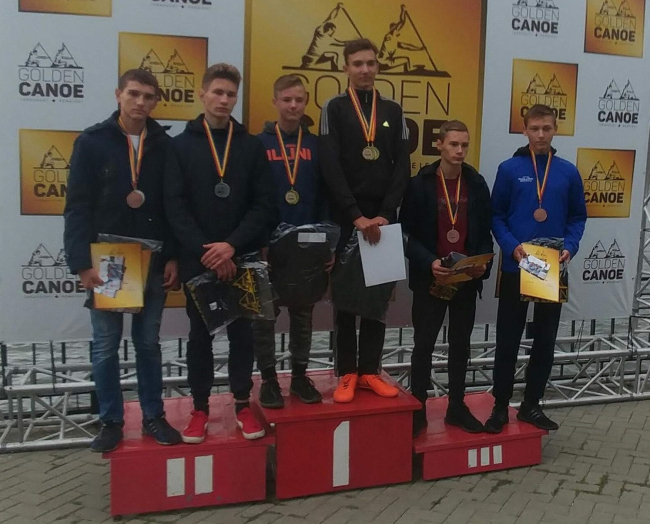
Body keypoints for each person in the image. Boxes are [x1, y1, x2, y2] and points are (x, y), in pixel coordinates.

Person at [64, 69, 182, 453]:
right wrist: (81, 263)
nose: (140, 102)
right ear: (119, 95)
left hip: (152, 258)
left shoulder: (165, 145)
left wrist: (173, 256)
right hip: (107, 262)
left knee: (148, 343)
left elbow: (173, 207)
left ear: (156, 101)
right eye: (133, 94)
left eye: (148, 96)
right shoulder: (91, 142)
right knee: (105, 345)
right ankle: (111, 421)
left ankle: (153, 416)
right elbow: (77, 207)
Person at [164, 63, 277, 443]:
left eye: (230, 94)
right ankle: (199, 409)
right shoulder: (179, 146)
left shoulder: (251, 146)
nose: (224, 99)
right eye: (217, 92)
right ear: (202, 94)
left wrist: (232, 246)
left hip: (241, 257)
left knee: (243, 334)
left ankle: (242, 404)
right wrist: (208, 252)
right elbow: (174, 206)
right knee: (200, 337)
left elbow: (264, 204)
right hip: (198, 260)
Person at [319, 38, 411, 402]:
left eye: (370, 63)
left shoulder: (393, 110)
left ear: (378, 67)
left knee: (377, 301)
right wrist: (355, 215)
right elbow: (330, 165)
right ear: (345, 67)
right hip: (346, 219)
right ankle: (347, 372)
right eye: (357, 63)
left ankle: (370, 371)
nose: (365, 70)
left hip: (384, 220)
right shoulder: (334, 108)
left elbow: (402, 166)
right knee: (345, 302)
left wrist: (385, 214)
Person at [486, 104, 587, 433]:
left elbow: (578, 217)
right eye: (534, 129)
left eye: (546, 128)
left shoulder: (567, 171)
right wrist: (510, 246)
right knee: (508, 339)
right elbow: (496, 215)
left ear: (555, 129)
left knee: (545, 339)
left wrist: (570, 246)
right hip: (518, 262)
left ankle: (531, 405)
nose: (541, 135)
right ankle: (500, 406)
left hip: (551, 265)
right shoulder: (509, 169)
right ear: (524, 130)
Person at [400, 120, 493, 437]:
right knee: (423, 345)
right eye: (453, 144)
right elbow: (406, 235)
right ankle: (418, 408)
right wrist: (430, 262)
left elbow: (485, 233)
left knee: (460, 345)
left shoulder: (476, 183)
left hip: (465, 278)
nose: (459, 151)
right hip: (432, 278)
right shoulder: (420, 184)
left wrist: (483, 264)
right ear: (439, 145)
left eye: (464, 145)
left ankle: (456, 407)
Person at [253, 74, 333, 408]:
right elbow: (251, 198)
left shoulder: (316, 145)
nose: (293, 106)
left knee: (303, 316)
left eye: (299, 100)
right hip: (266, 247)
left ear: (306, 102)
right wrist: (258, 241)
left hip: (308, 245)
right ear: (275, 102)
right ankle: (269, 380)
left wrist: (327, 243)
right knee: (264, 317)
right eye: (286, 99)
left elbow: (327, 196)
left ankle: (299, 376)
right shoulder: (257, 145)